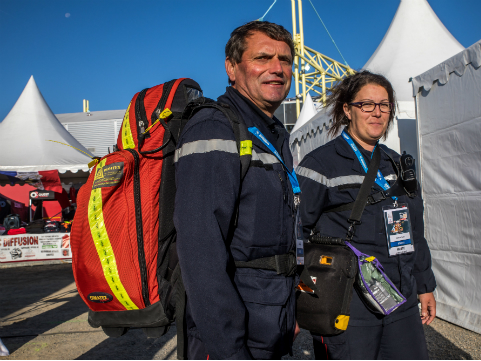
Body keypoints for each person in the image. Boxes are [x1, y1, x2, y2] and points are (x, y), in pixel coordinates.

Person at [174, 21, 300, 359]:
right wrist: (227, 347)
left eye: (285, 60)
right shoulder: (215, 127)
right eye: (263, 57)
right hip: (235, 336)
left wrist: (289, 311)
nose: (277, 69)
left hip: (273, 323)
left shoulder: (274, 134)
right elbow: (201, 251)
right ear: (232, 68)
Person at [297, 71, 436, 359]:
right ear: (347, 109)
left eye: (384, 105)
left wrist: (425, 285)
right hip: (346, 300)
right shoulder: (320, 165)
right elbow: (296, 232)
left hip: (400, 297)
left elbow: (415, 230)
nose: (377, 112)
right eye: (366, 105)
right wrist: (302, 294)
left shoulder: (398, 164)